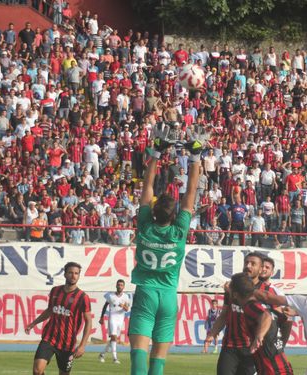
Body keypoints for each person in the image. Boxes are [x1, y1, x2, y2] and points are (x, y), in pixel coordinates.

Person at [128, 124, 204, 375]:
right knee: (158, 359)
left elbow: (146, 188)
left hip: (146, 292)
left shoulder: (146, 227)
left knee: (139, 352)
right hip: (169, 296)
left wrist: (156, 154)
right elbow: (191, 190)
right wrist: (195, 156)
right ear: (174, 216)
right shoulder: (179, 230)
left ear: (154, 210)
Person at [204, 252, 280, 375]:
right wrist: (212, 334)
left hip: (252, 349)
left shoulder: (268, 292)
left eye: (253, 264)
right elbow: (224, 315)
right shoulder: (232, 287)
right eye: (246, 263)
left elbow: (279, 317)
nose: (248, 266)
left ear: (261, 269)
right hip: (229, 347)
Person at [25, 262, 92, 375]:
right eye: (70, 272)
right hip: (49, 338)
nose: (73, 276)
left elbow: (89, 321)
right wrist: (33, 323)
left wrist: (82, 345)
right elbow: (50, 310)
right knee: (37, 370)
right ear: (65, 274)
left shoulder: (82, 297)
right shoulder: (55, 291)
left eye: (76, 273)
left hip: (68, 343)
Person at [227, 273, 294, 375]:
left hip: (271, 370)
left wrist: (259, 336)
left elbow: (265, 316)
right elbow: (287, 319)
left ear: (235, 294)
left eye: (230, 290)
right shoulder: (264, 305)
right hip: (282, 367)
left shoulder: (250, 306)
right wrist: (280, 345)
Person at [98, 279, 131, 364]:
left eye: (121, 285)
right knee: (113, 337)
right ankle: (115, 358)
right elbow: (105, 306)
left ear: (123, 287)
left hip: (120, 318)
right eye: (118, 285)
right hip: (112, 317)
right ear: (116, 286)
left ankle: (102, 354)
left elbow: (127, 309)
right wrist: (102, 317)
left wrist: (123, 305)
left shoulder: (126, 297)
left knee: (114, 339)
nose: (120, 286)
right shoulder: (111, 296)